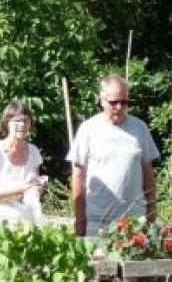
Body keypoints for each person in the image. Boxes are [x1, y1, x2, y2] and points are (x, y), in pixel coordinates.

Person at [68, 74, 159, 238]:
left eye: (124, 102)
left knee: (135, 264)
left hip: (134, 221)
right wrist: (80, 218)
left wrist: (151, 211)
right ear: (102, 101)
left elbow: (148, 173)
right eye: (114, 102)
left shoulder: (139, 128)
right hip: (98, 220)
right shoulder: (88, 129)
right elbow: (78, 176)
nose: (119, 106)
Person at [0, 101, 45, 233]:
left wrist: (38, 187)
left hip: (28, 221)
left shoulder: (34, 151)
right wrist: (20, 190)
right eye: (16, 121)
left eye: (26, 120)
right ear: (7, 124)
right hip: (1, 223)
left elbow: (33, 185)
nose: (22, 125)